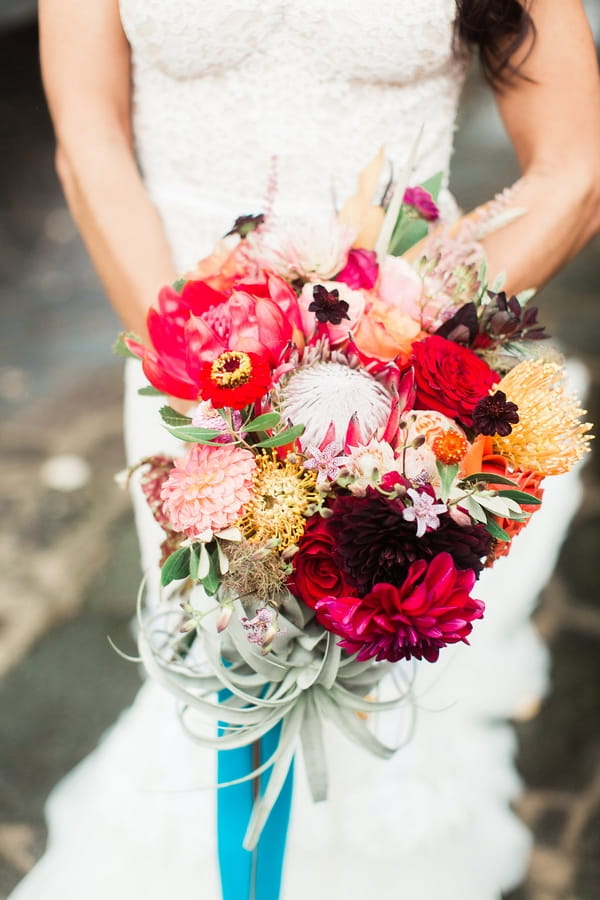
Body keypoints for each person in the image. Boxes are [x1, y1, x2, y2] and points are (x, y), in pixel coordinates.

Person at [10, 1, 600, 898]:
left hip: (399, 360)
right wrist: (212, 386)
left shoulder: (401, 348)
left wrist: (399, 345)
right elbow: (89, 149)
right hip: (183, 356)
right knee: (213, 644)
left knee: (374, 643)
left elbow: (576, 168)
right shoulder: (192, 371)